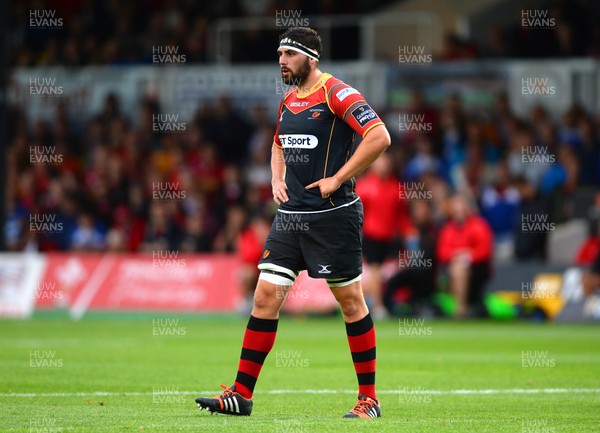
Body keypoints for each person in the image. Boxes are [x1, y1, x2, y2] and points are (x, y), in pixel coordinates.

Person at [195, 27, 391, 419]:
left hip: (334, 216)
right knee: (265, 296)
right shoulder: (289, 100)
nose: (281, 61)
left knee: (351, 302)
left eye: (289, 54)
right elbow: (278, 142)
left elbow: (379, 136)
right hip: (290, 218)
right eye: (279, 54)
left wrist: (337, 178)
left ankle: (369, 399)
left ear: (310, 58)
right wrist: (276, 177)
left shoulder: (339, 93)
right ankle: (241, 393)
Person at [436, 193, 493, 318]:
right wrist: (458, 255)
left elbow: (484, 250)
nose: (458, 211)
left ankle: (461, 309)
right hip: (452, 268)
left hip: (478, 268)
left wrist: (468, 257)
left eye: (461, 207)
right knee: (457, 268)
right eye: (455, 208)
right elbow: (442, 252)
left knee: (459, 268)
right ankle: (460, 307)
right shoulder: (448, 229)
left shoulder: (479, 225)